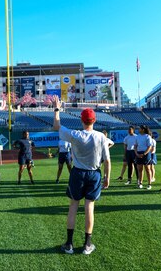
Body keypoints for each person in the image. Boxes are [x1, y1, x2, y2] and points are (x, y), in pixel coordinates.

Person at [52, 95, 110, 255]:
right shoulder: (101, 136)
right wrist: (107, 177)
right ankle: (87, 245)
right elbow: (107, 160)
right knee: (89, 208)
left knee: (73, 207)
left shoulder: (76, 134)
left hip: (77, 173)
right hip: (94, 174)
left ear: (82, 120)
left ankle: (69, 244)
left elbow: (56, 126)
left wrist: (57, 109)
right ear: (94, 120)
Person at [134, 125, 153, 190]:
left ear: (143, 129)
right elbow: (135, 146)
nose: (138, 129)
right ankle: (140, 183)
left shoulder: (148, 137)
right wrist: (136, 153)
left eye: (139, 128)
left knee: (147, 169)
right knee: (139, 169)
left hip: (146, 154)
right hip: (139, 153)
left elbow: (149, 146)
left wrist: (144, 153)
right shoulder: (137, 137)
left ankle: (149, 184)